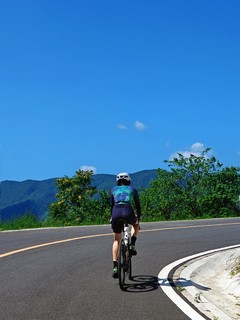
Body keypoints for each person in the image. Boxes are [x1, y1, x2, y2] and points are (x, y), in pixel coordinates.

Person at [110, 172, 141, 278]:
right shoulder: (132, 189)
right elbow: (137, 206)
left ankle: (115, 266)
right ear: (129, 181)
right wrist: (138, 218)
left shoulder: (113, 190)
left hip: (115, 212)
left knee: (116, 240)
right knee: (136, 225)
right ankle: (132, 244)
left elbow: (111, 205)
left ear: (118, 181)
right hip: (127, 210)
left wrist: (112, 217)